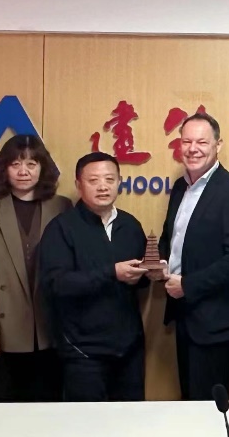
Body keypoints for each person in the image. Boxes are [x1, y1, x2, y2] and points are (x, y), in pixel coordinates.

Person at [157, 113, 229, 401]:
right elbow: (170, 237)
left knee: (208, 411)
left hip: (216, 326)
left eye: (202, 142)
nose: (193, 149)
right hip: (185, 318)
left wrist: (187, 285)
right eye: (186, 141)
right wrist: (161, 262)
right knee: (190, 405)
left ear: (218, 145)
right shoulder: (181, 187)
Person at [0, 134, 71, 402]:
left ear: (43, 168)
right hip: (3, 330)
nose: (24, 171)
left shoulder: (61, 206)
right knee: (2, 409)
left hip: (49, 327)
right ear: (4, 169)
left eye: (31, 164)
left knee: (47, 409)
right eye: (15, 164)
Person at [39, 152, 148, 402]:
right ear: (78, 185)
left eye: (109, 179)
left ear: (119, 182)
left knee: (132, 420)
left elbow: (139, 279)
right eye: (93, 180)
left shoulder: (130, 225)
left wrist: (145, 275)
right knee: (87, 422)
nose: (103, 186)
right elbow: (56, 284)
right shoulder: (61, 228)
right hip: (82, 351)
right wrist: (112, 272)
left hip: (129, 349)